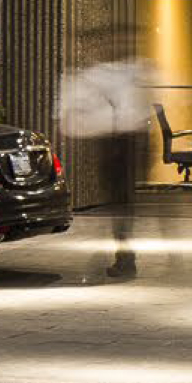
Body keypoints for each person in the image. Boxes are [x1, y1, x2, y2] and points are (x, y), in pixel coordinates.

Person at [51, 29, 155, 281]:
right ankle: (124, 254)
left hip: (121, 145)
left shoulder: (117, 73)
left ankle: (125, 257)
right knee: (121, 204)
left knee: (121, 204)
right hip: (121, 143)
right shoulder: (126, 72)